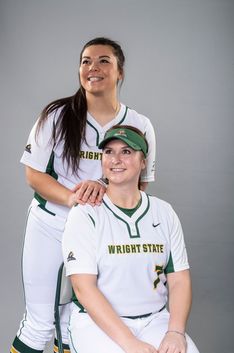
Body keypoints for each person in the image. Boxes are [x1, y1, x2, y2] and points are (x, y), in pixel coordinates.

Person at [10, 38, 156, 353]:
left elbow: (141, 185)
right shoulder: (56, 115)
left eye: (104, 61)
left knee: (77, 322)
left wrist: (105, 186)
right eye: (86, 61)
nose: (93, 68)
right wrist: (73, 198)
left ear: (120, 72)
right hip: (51, 224)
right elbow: (33, 174)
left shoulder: (140, 124)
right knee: (39, 323)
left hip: (101, 232)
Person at [62, 125, 200, 353]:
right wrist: (130, 343)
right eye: (108, 151)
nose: (115, 159)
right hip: (96, 323)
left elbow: (179, 279)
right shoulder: (85, 214)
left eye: (126, 151)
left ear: (143, 161)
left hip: (154, 319)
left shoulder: (163, 212)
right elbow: (83, 287)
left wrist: (175, 332)